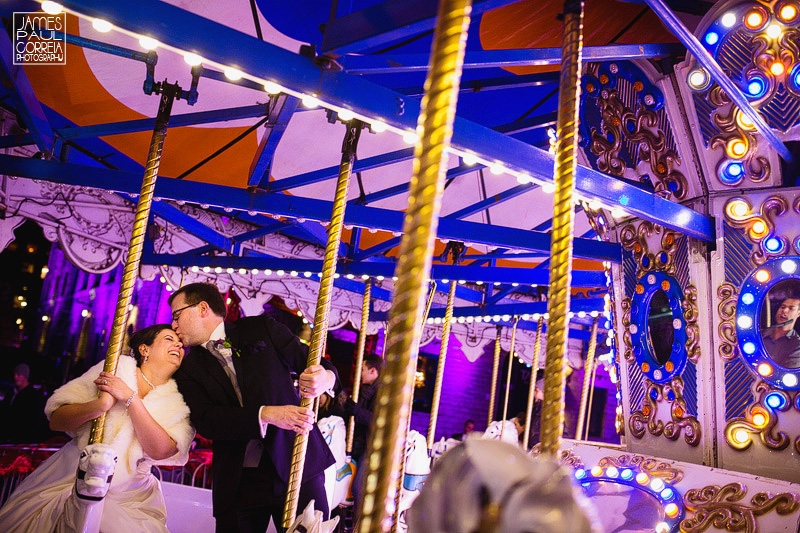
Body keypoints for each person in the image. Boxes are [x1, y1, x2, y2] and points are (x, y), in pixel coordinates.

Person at [169, 282, 339, 533]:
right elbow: (207, 420)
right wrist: (265, 414)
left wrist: (326, 378)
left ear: (202, 308)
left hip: (297, 460)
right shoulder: (188, 369)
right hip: (240, 480)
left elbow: (314, 362)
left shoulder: (261, 328)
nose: (174, 325)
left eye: (177, 316)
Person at [0, 325, 195, 533]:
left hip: (131, 494)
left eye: (180, 343)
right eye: (168, 339)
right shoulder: (117, 369)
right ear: (144, 349)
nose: (178, 344)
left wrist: (130, 398)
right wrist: (99, 406)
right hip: (75, 473)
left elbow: (162, 450)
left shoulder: (179, 399)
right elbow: (56, 420)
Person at [341, 352, 383, 506]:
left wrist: (357, 411)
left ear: (373, 371)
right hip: (361, 442)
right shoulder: (366, 390)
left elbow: (380, 421)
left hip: (373, 447)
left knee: (359, 487)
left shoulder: (382, 392)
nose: (360, 373)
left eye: (363, 369)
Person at [0, 363, 48, 444]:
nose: (15, 377)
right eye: (14, 374)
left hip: (21, 441)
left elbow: (34, 420)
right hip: (6, 439)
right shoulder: (11, 393)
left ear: (25, 376)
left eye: (19, 374)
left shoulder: (33, 396)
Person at [762, 296, 800, 369]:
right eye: (782, 307)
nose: (784, 310)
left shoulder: (797, 346)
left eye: (791, 308)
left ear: (798, 314)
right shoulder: (761, 334)